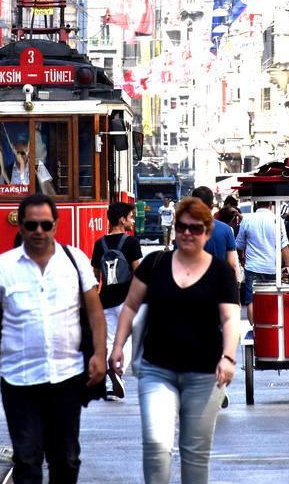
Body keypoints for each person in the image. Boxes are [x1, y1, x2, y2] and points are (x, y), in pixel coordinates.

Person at [0, 193, 107, 484]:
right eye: (32, 225)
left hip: (66, 377)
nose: (39, 231)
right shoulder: (4, 266)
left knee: (66, 459)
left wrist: (101, 354)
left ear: (55, 225)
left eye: (45, 225)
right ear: (21, 227)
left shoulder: (76, 262)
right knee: (27, 460)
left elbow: (95, 313)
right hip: (19, 380)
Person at [110, 197, 240, 484]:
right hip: (157, 370)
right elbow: (130, 305)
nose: (187, 233)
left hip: (205, 375)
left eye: (195, 229)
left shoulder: (220, 273)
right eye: (182, 227)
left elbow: (231, 320)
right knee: (156, 446)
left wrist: (228, 357)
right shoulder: (155, 263)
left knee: (194, 454)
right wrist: (118, 345)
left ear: (207, 232)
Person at [90, 201, 142, 400]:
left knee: (109, 339)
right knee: (127, 339)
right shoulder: (131, 243)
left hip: (105, 300)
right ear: (122, 219)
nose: (132, 221)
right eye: (130, 217)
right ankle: (117, 372)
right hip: (127, 300)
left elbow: (95, 276)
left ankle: (109, 383)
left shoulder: (99, 243)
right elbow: (139, 273)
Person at [235, 201, 289, 325]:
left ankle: (254, 330)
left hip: (252, 267)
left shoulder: (247, 220)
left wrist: (241, 257)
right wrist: (287, 265)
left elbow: (239, 245)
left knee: (251, 300)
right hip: (272, 267)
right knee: (272, 298)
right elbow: (284, 245)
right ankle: (272, 327)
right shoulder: (277, 220)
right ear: (270, 204)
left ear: (256, 204)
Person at [192, 187, 237, 273]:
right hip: (219, 283)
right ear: (212, 206)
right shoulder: (226, 230)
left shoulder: (183, 231)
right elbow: (231, 264)